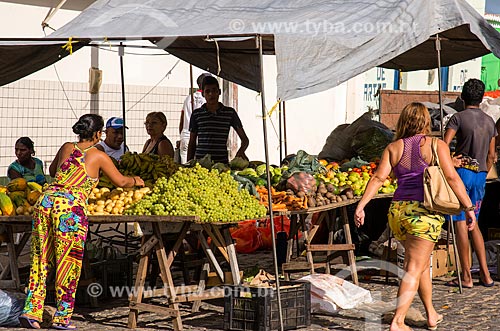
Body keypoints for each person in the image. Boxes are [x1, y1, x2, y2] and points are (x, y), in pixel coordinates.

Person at [354, 102, 476, 331]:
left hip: (398, 213)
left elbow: (378, 179)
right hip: (423, 214)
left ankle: (431, 314)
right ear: (426, 122)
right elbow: (452, 178)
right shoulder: (437, 145)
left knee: (420, 266)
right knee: (414, 266)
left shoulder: (393, 147)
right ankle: (398, 321)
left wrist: (361, 206)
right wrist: (469, 208)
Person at [19, 114, 144, 330]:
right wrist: (136, 181)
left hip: (46, 202)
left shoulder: (67, 146)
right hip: (69, 210)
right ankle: (62, 319)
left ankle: (31, 313)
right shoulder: (98, 155)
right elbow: (121, 181)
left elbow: (52, 172)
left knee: (40, 259)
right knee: (68, 263)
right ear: (97, 134)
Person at [443, 78, 496, 289]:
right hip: (481, 176)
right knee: (475, 225)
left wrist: (452, 161)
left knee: (460, 225)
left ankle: (466, 276)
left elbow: (443, 146)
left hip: (461, 176)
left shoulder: (457, 118)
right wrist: (482, 171)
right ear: (482, 98)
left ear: (463, 97)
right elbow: (492, 155)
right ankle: (485, 274)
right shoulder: (490, 121)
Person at [187, 76, 249, 164]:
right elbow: (192, 143)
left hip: (222, 166)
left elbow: (245, 139)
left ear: (219, 92)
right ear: (203, 94)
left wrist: (241, 151)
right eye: (207, 91)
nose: (211, 94)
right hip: (200, 165)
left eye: (214, 90)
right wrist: (188, 164)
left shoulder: (230, 113)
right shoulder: (196, 114)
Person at [179, 73, 212, 164]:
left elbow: (182, 118)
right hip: (199, 138)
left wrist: (181, 135)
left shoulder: (188, 98)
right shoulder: (208, 100)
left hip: (185, 135)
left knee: (184, 167)